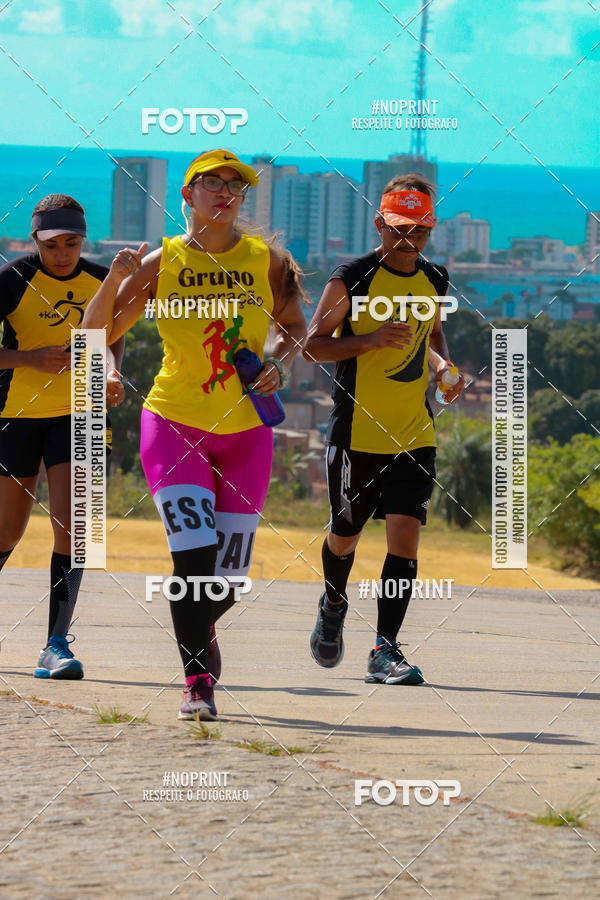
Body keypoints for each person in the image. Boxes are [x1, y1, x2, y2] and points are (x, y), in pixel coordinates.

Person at [82, 149, 307, 720]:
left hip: (249, 429)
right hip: (174, 422)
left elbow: (294, 327)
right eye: (212, 182)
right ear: (187, 195)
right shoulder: (165, 260)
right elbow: (96, 328)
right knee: (193, 559)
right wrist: (113, 287)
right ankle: (197, 684)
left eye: (237, 184)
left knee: (227, 578)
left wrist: (282, 360)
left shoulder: (269, 261)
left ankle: (198, 632)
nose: (225, 191)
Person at [304, 173, 464, 685]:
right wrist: (370, 341)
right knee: (345, 537)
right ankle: (333, 604)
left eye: (419, 231)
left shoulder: (434, 279)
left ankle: (385, 649)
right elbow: (312, 345)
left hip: (415, 431)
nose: (408, 240)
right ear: (379, 224)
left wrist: (442, 369)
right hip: (357, 435)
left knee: (405, 542)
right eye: (399, 229)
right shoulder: (351, 278)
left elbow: (431, 334)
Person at [0, 194, 125, 678]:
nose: (63, 254)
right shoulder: (13, 280)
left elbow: (112, 340)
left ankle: (55, 645)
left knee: (78, 530)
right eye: (53, 245)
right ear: (36, 241)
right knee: (8, 530)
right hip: (16, 413)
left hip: (81, 412)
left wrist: (112, 374)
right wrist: (27, 359)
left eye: (72, 243)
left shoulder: (101, 279)